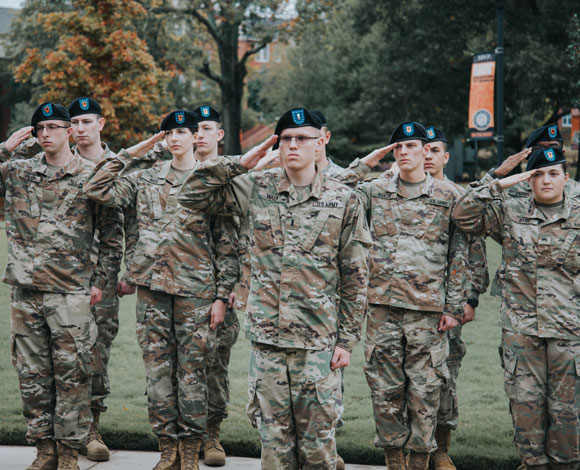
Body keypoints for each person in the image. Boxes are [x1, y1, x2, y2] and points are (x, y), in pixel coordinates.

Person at [178, 108, 372, 470]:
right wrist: (240, 163)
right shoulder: (255, 188)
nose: (294, 145)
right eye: (286, 139)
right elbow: (191, 194)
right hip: (267, 342)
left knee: (318, 449)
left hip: (318, 342)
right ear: (276, 145)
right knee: (274, 448)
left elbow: (356, 274)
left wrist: (346, 341)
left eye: (303, 138)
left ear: (320, 143)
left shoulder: (344, 198)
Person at [83, 110, 238, 470]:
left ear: (195, 137)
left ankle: (189, 453)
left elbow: (227, 245)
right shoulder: (144, 180)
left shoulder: (209, 182)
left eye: (183, 132)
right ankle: (167, 449)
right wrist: (140, 150)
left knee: (193, 374)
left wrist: (220, 296)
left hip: (196, 293)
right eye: (169, 133)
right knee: (157, 375)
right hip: (152, 291)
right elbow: (95, 187)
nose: (176, 138)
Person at [1, 102, 119, 470]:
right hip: (25, 291)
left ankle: (68, 451)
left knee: (73, 374)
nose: (46, 134)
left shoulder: (91, 175)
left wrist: (102, 282)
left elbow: (112, 237)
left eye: (54, 126)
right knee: (32, 375)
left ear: (69, 131)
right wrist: (4, 149)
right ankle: (44, 450)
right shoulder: (18, 172)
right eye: (40, 129)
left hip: (70, 292)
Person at [453, 146, 580, 470]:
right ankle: (532, 464)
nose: (546, 180)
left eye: (554, 173)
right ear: (528, 179)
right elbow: (463, 215)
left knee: (568, 412)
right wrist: (497, 178)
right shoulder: (511, 211)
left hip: (571, 332)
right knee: (526, 408)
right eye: (538, 174)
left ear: (566, 177)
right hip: (522, 331)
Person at [354, 121, 469, 470]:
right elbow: (333, 188)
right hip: (381, 308)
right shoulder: (374, 191)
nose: (404, 152)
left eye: (412, 146)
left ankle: (420, 459)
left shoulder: (449, 196)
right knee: (384, 390)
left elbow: (458, 254)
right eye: (398, 147)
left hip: (428, 311)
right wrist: (365, 164)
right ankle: (394, 460)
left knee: (425, 391)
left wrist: (454, 306)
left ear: (426, 151)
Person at [423, 127, 489, 470]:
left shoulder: (460, 198)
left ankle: (441, 449)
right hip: (413, 303)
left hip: (448, 304)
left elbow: (474, 252)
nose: (429, 155)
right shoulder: (399, 194)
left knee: (445, 376)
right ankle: (411, 448)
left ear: (446, 157)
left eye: (436, 150)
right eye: (425, 149)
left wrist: (472, 299)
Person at [188, 104, 239, 467]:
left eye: (208, 128)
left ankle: (212, 435)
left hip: (223, 287)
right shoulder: (174, 174)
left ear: (219, 134)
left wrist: (232, 287)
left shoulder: (237, 174)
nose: (200, 134)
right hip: (180, 285)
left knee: (215, 366)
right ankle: (183, 439)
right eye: (196, 129)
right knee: (180, 369)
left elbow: (241, 236)